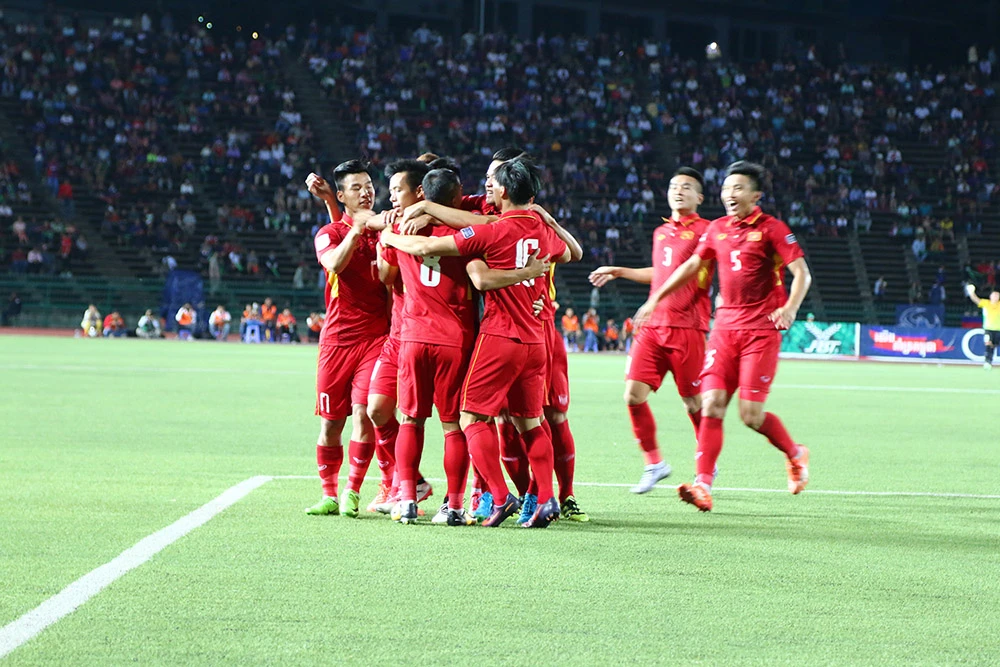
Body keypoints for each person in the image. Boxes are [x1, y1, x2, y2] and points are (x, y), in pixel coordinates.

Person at [381, 156, 579, 528]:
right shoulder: (531, 226)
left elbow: (471, 274)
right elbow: (572, 253)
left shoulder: (485, 231)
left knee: (460, 419)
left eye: (492, 179)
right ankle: (544, 498)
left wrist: (390, 234)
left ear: (503, 189)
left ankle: (492, 496)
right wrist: (542, 241)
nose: (486, 186)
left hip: (487, 335)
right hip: (532, 337)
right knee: (530, 422)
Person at [634, 161, 811, 512]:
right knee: (712, 404)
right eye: (727, 188)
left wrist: (790, 307)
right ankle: (703, 485)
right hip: (724, 330)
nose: (730, 194)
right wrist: (655, 299)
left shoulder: (772, 229)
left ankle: (795, 453)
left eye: (738, 188)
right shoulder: (716, 229)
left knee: (750, 415)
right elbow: (690, 266)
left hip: (760, 330)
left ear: (755, 196)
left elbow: (801, 273)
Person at [590, 167, 713, 494]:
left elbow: (690, 271)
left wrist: (655, 298)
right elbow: (661, 273)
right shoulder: (661, 232)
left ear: (699, 197)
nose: (679, 191)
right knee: (632, 395)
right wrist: (620, 271)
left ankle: (706, 465)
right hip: (653, 326)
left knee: (692, 402)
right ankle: (654, 463)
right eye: (674, 186)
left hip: (687, 325)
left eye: (687, 187)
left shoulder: (707, 231)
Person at [303, 160, 389, 518]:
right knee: (330, 423)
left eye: (369, 185)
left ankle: (352, 491)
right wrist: (354, 228)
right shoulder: (329, 233)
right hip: (337, 341)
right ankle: (328, 495)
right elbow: (335, 264)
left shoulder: (384, 229)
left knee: (364, 414)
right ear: (341, 195)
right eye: (357, 187)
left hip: (377, 338)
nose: (366, 192)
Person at [966, 285, 1000, 370]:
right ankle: (987, 362)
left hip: (998, 329)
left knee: (994, 345)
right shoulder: (986, 303)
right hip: (988, 329)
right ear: (990, 296)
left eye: (997, 295)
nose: (995, 297)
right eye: (994, 295)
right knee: (988, 344)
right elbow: (976, 300)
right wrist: (971, 293)